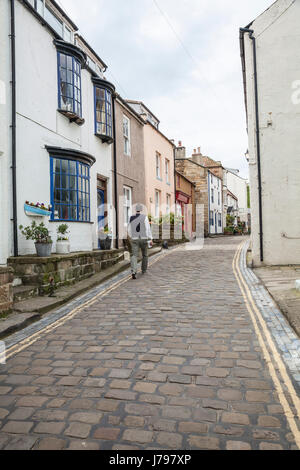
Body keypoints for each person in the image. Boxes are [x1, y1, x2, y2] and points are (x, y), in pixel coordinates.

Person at [128, 204, 153, 280]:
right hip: (143, 238)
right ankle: (144, 270)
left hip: (134, 238)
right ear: (141, 210)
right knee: (145, 254)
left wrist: (131, 237)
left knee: (134, 255)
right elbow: (147, 229)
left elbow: (129, 229)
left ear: (135, 210)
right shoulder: (144, 217)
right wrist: (150, 239)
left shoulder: (131, 218)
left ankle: (134, 271)